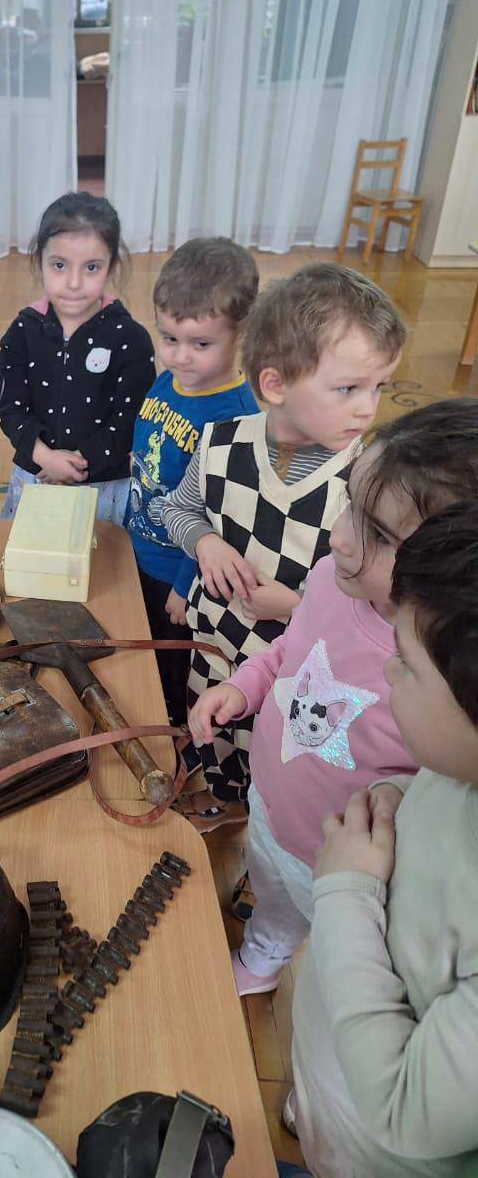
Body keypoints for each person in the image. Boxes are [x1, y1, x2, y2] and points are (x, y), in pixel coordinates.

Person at [188, 399, 478, 994]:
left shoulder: (441, 683)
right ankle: (264, 953)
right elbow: (290, 650)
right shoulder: (330, 578)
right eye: (350, 503)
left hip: (334, 864)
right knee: (270, 891)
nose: (340, 537)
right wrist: (243, 687)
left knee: (324, 945)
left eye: (380, 534)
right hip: (269, 800)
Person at [162, 264, 405, 829]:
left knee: (274, 758)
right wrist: (204, 542)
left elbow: (371, 611)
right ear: (275, 385)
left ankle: (259, 823)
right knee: (214, 728)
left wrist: (294, 605)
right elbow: (175, 510)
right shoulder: (220, 444)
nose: (368, 409)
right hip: (214, 642)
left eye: (378, 387)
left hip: (297, 671)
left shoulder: (366, 484)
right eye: (348, 389)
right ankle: (223, 801)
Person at [290, 500, 478, 1176]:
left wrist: (345, 889)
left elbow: (402, 1109)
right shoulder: (458, 763)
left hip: (371, 1153)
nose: (388, 672)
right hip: (330, 1086)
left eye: (404, 662)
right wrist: (405, 797)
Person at [124, 237, 259, 726]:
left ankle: (172, 738)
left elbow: (223, 517)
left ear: (241, 334)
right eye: (169, 338)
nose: (180, 357)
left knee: (168, 671)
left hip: (178, 575)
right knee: (136, 648)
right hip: (138, 547)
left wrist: (186, 585)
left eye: (201, 344)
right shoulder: (172, 380)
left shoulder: (236, 418)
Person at [0, 192, 154, 523]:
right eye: (59, 265)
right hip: (36, 474)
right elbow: (10, 408)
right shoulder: (23, 330)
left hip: (103, 485)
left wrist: (77, 464)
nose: (73, 283)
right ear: (39, 261)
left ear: (112, 266)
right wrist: (45, 457)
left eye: (92, 267)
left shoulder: (130, 339)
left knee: (98, 556)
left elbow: (130, 420)